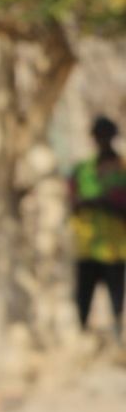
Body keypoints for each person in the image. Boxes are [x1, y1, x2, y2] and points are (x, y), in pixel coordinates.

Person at [70, 115, 126, 340]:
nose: (102, 141)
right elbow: (71, 202)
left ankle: (117, 338)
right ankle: (83, 339)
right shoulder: (82, 169)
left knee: (116, 299)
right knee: (83, 298)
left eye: (106, 136)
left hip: (116, 247)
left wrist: (104, 204)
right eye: (98, 136)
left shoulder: (123, 169)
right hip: (87, 247)